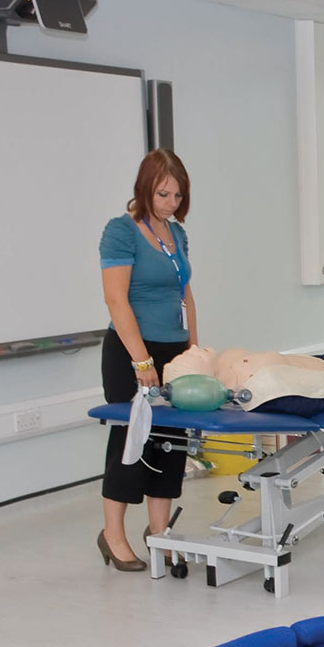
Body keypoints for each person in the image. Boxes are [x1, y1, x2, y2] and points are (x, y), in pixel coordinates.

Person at [98, 149, 197, 572]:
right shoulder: (120, 231)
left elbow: (185, 294)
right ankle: (112, 534)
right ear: (144, 189)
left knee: (170, 443)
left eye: (178, 196)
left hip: (174, 350)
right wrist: (142, 362)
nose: (171, 203)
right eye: (163, 195)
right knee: (131, 440)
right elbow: (116, 299)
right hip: (131, 351)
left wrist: (194, 352)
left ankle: (159, 532)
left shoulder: (177, 234)